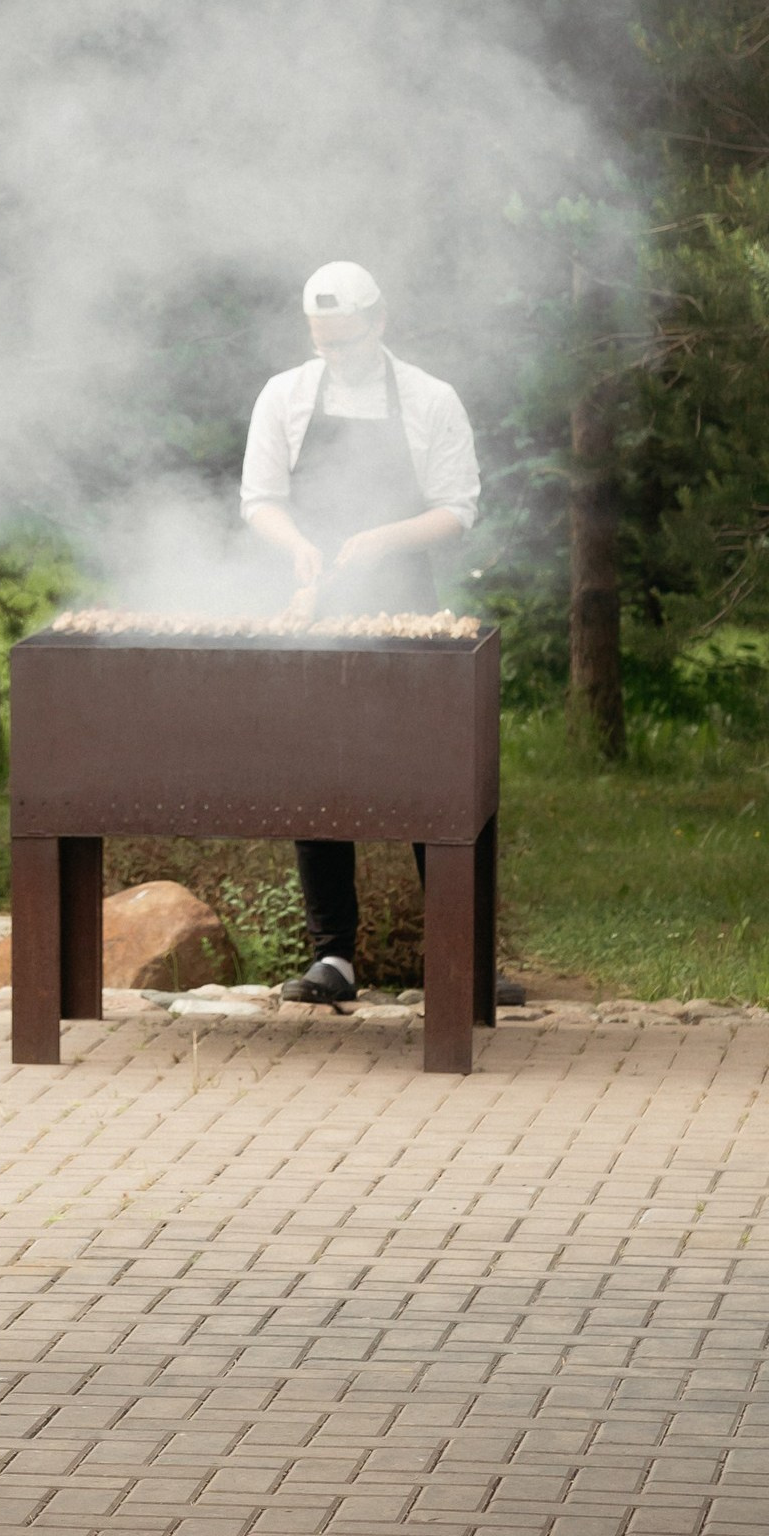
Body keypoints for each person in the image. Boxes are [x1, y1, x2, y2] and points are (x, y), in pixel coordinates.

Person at [241, 259, 482, 1006]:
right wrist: (296, 546)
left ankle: (463, 956)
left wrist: (381, 540)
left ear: (379, 323)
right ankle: (334, 958)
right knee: (315, 771)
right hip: (314, 604)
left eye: (345, 340)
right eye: (322, 342)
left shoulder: (430, 399)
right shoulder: (285, 395)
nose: (334, 354)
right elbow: (260, 498)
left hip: (405, 607)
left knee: (429, 776)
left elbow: (459, 507)